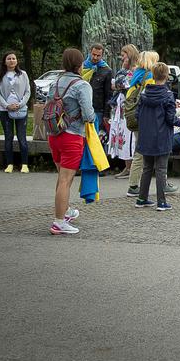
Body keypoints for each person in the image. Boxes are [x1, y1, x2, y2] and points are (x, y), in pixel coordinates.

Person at [48, 48, 95, 235]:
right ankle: (59, 222)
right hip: (72, 136)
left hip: (55, 135)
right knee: (66, 181)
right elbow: (88, 114)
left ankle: (65, 211)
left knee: (61, 179)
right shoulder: (82, 85)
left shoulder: (55, 82)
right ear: (79, 64)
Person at [134, 63, 180, 211]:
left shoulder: (143, 94)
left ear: (153, 75)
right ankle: (161, 201)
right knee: (161, 169)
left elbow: (137, 115)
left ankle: (142, 198)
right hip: (162, 136)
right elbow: (170, 118)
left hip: (146, 136)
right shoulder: (168, 95)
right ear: (167, 76)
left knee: (147, 168)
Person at [0, 51, 31, 173]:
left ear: (17, 61)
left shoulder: (23, 74)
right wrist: (7, 105)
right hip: (5, 111)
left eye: (14, 58)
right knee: (8, 137)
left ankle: (25, 164)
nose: (11, 60)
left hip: (21, 110)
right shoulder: (0, 75)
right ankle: (9, 163)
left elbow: (27, 92)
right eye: (9, 58)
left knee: (22, 137)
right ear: (5, 61)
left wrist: (20, 104)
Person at [108, 44, 140, 178]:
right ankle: (127, 167)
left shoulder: (137, 70)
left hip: (130, 107)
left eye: (123, 55)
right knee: (122, 135)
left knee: (129, 136)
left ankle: (132, 168)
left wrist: (118, 83)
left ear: (130, 55)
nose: (122, 58)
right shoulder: (125, 70)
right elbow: (114, 85)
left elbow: (121, 84)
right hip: (121, 108)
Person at [82, 43, 113, 135]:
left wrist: (106, 114)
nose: (95, 57)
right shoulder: (82, 67)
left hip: (97, 110)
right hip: (82, 107)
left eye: (98, 56)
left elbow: (108, 94)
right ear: (90, 53)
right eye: (93, 54)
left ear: (102, 56)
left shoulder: (107, 71)